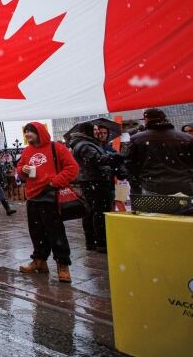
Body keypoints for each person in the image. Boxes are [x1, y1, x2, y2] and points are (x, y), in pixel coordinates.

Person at [17, 122, 79, 283]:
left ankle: (63, 265)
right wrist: (21, 170)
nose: (28, 134)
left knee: (56, 232)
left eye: (31, 131)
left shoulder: (56, 147)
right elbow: (20, 167)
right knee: (36, 232)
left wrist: (54, 182)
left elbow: (72, 168)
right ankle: (40, 261)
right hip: (32, 196)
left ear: (40, 132)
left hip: (50, 197)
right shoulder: (27, 151)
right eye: (26, 132)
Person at [68, 123, 123, 253]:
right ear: (87, 131)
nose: (97, 132)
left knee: (92, 211)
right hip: (95, 181)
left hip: (93, 181)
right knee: (98, 212)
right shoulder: (85, 145)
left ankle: (93, 241)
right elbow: (96, 160)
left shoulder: (87, 143)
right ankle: (100, 242)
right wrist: (114, 156)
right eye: (94, 130)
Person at [125, 108, 193, 196]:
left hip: (152, 186)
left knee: (155, 210)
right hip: (184, 186)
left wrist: (139, 180)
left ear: (147, 120)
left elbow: (130, 164)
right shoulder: (186, 138)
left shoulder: (137, 139)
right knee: (186, 209)